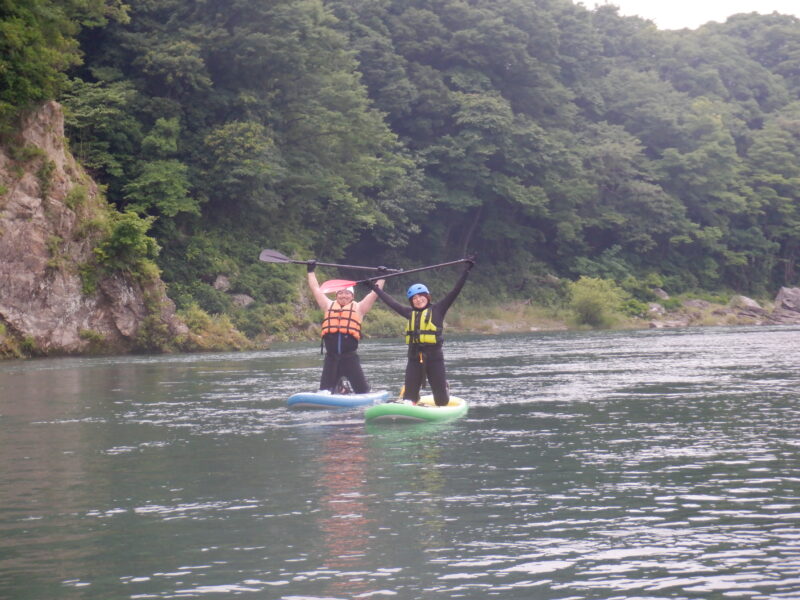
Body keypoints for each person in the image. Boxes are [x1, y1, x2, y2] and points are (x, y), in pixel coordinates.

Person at [366, 257, 475, 406]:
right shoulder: (409, 312)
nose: (418, 300)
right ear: (411, 302)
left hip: (435, 359)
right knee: (409, 400)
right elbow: (391, 302)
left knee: (441, 401)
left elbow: (455, 291)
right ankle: (411, 396)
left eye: (420, 296)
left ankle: (445, 387)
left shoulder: (438, 309)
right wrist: (375, 288)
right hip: (414, 358)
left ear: (427, 297)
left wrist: (466, 271)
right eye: (414, 298)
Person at [307, 260, 385, 394]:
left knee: (363, 392)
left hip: (350, 359)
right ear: (336, 295)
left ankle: (348, 389)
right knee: (325, 391)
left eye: (347, 293)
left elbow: (374, 294)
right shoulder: (327, 305)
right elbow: (315, 289)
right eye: (340, 293)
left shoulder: (359, 308)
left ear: (352, 296)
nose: (343, 295)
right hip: (331, 359)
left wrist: (382, 277)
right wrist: (310, 271)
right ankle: (339, 389)